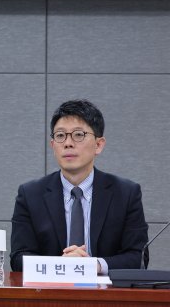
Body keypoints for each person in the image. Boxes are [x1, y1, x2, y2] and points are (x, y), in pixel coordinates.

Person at [10, 99, 148, 273]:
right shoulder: (30, 194)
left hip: (106, 289)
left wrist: (94, 265)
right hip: (50, 289)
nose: (68, 143)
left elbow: (138, 257)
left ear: (98, 145)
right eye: (60, 136)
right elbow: (18, 258)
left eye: (78, 135)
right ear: (53, 146)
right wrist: (60, 264)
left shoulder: (126, 193)